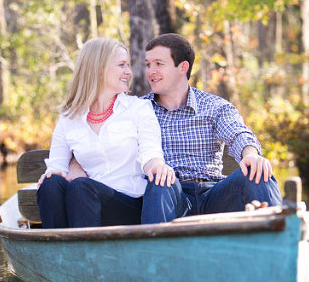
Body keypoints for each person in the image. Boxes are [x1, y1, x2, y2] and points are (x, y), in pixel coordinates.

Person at [139, 33, 282, 223]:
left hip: (214, 195)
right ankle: (155, 250)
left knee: (256, 170)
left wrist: (251, 155)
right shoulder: (140, 110)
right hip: (172, 197)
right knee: (159, 182)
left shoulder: (214, 106)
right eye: (148, 64)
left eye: (159, 64)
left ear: (182, 67)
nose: (150, 71)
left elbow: (238, 133)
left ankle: (278, 240)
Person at [36, 37, 175, 228]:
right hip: (84, 202)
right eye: (121, 65)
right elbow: (57, 165)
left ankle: (86, 255)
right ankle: (58, 252)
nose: (128, 72)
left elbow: (150, 152)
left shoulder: (138, 108)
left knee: (81, 187)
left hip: (127, 203)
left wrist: (157, 165)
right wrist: (55, 173)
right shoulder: (69, 118)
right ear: (98, 69)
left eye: (128, 65)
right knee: (51, 184)